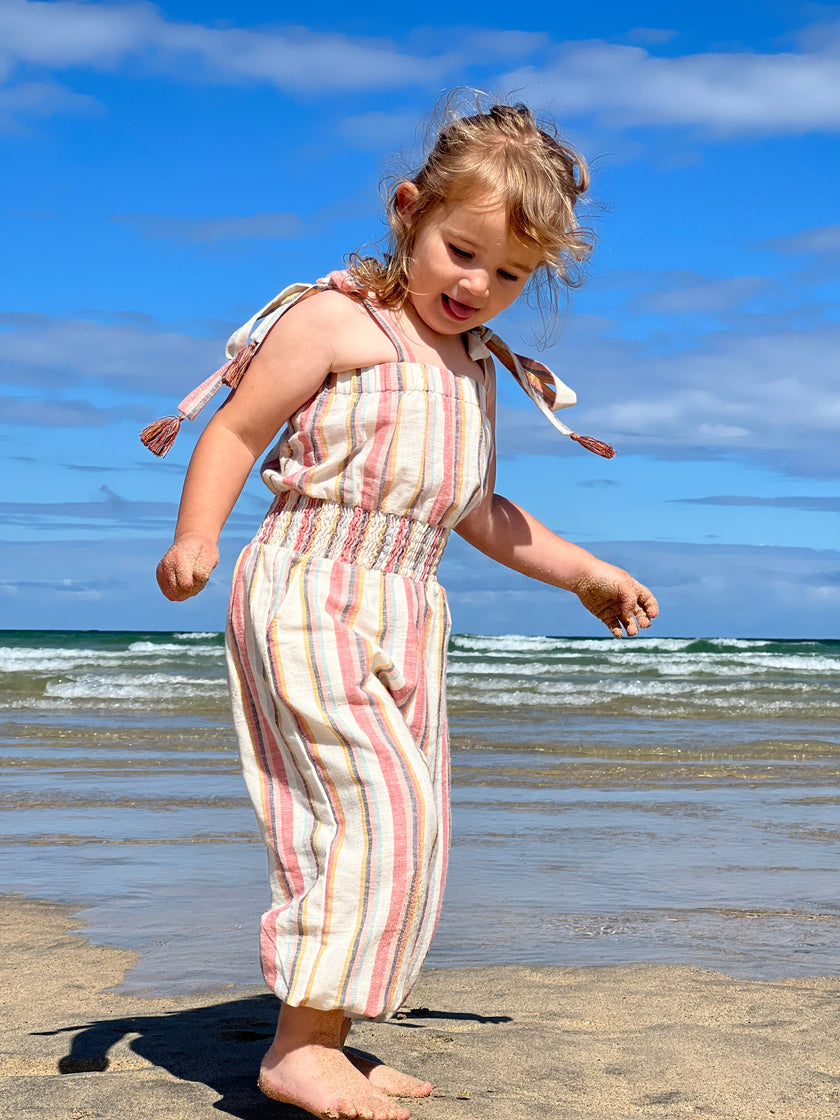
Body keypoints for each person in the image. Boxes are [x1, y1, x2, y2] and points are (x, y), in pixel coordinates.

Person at [150, 99, 658, 1120]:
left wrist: (587, 573)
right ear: (408, 212)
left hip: (407, 605)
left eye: (509, 274)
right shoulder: (340, 320)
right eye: (461, 252)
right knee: (369, 812)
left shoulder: (474, 371)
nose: (478, 286)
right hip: (309, 585)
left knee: (414, 824)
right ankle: (298, 1046)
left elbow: (479, 510)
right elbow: (238, 431)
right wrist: (197, 533)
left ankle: (330, 1033)